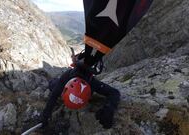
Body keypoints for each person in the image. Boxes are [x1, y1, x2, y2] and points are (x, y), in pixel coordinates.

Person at [40, 0, 153, 129]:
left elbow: (54, 96)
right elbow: (114, 93)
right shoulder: (89, 83)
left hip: (78, 70)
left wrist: (45, 117)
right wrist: (108, 109)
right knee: (54, 85)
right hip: (80, 69)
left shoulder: (70, 80)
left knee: (53, 85)